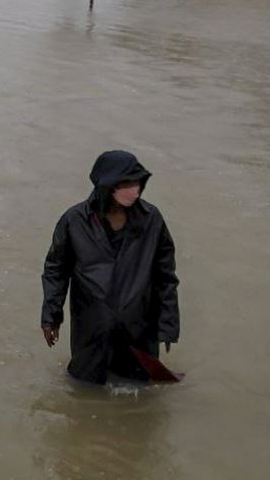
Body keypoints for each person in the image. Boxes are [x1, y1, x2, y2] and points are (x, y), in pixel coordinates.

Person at [40, 150, 179, 384]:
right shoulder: (74, 221)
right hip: (91, 329)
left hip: (138, 330)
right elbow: (56, 271)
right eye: (125, 183)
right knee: (84, 391)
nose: (133, 190)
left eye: (136, 182)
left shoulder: (152, 220)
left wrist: (168, 326)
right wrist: (51, 317)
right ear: (106, 185)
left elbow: (165, 276)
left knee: (140, 392)